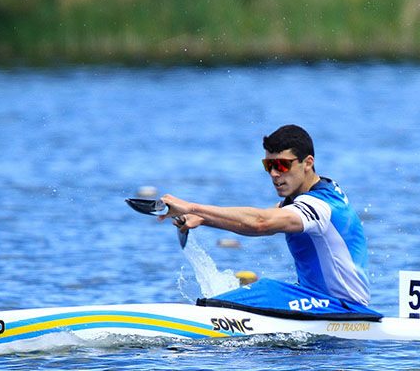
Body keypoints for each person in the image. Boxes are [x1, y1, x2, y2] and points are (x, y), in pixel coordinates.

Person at [158, 124, 371, 306]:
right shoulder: (309, 195)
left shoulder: (320, 205)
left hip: (342, 308)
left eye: (281, 165)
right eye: (269, 166)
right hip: (317, 302)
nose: (274, 174)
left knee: (266, 289)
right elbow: (259, 220)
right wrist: (204, 219)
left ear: (308, 163)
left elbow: (261, 223)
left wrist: (190, 207)